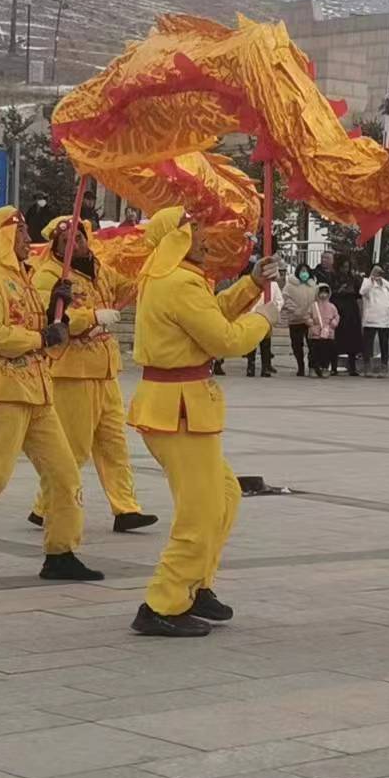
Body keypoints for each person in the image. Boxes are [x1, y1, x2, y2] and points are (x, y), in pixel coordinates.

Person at [125, 207, 280, 636]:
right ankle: (163, 603)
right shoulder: (177, 283)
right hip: (178, 409)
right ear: (175, 238)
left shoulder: (176, 280)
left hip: (181, 405)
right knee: (201, 512)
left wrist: (252, 283)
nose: (202, 235)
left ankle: (195, 585)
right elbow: (223, 339)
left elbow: (210, 312)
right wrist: (262, 321)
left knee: (225, 495)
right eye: (192, 230)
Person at [0, 207, 101, 582]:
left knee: (64, 473)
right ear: (2, 236)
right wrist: (41, 337)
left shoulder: (23, 278)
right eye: (20, 231)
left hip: (37, 388)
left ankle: (61, 551)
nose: (28, 239)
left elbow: (42, 328)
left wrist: (57, 309)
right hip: (3, 387)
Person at [28, 215, 157, 535]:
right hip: (73, 372)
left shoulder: (99, 268)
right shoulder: (50, 277)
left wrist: (153, 273)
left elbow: (126, 287)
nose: (77, 243)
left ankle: (125, 508)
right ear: (57, 246)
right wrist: (92, 316)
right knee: (73, 448)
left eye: (80, 236)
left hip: (105, 369)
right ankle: (45, 507)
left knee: (114, 444)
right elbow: (52, 321)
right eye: (67, 241)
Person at [243, 255, 280, 378]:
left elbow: (279, 300)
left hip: (266, 317)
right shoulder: (251, 283)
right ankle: (250, 366)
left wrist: (273, 310)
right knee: (251, 344)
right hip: (252, 316)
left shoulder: (273, 285)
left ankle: (266, 367)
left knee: (266, 344)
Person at [360, 265, 389, 377]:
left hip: (385, 319)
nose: (378, 274)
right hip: (371, 319)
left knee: (384, 344)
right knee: (368, 344)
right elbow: (362, 292)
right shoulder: (367, 282)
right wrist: (371, 278)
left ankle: (384, 366)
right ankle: (367, 366)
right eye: (376, 272)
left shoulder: (388, 285)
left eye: (380, 272)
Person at [282, 265, 318, 377]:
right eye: (302, 271)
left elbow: (318, 300)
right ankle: (300, 366)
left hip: (310, 320)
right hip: (295, 320)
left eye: (306, 271)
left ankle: (312, 366)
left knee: (313, 345)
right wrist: (295, 310)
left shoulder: (313, 286)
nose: (304, 273)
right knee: (297, 345)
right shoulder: (289, 286)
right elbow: (285, 300)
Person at [333, 266, 364, 376]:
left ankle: (352, 367)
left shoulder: (354, 278)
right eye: (343, 266)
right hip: (339, 310)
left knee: (352, 340)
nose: (345, 269)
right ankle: (333, 366)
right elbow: (330, 293)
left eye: (347, 266)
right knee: (337, 339)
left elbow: (360, 293)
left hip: (352, 311)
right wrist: (339, 290)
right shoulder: (334, 277)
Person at [307, 283, 339, 378]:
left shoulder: (332, 306)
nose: (323, 295)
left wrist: (333, 324)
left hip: (328, 333)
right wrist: (311, 324)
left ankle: (325, 368)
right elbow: (307, 316)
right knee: (314, 352)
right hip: (315, 334)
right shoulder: (313, 306)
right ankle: (312, 368)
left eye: (326, 292)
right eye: (321, 292)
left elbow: (336, 316)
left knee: (326, 352)